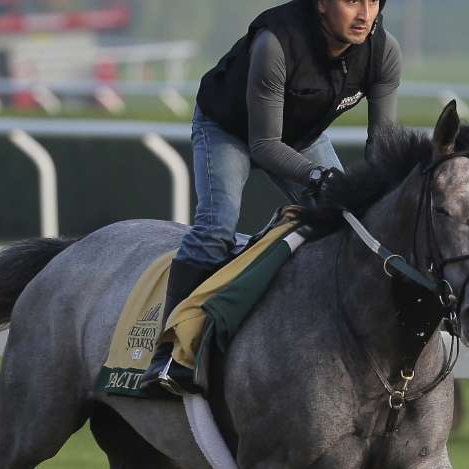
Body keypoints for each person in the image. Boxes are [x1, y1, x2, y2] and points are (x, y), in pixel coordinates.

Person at [141, 0, 402, 394]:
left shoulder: (383, 50)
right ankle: (167, 354)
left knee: (351, 225)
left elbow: (382, 148)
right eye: (351, 1)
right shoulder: (275, 43)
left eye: (372, 1)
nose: (365, 13)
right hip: (230, 130)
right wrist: (316, 174)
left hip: (302, 138)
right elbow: (264, 145)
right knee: (217, 227)